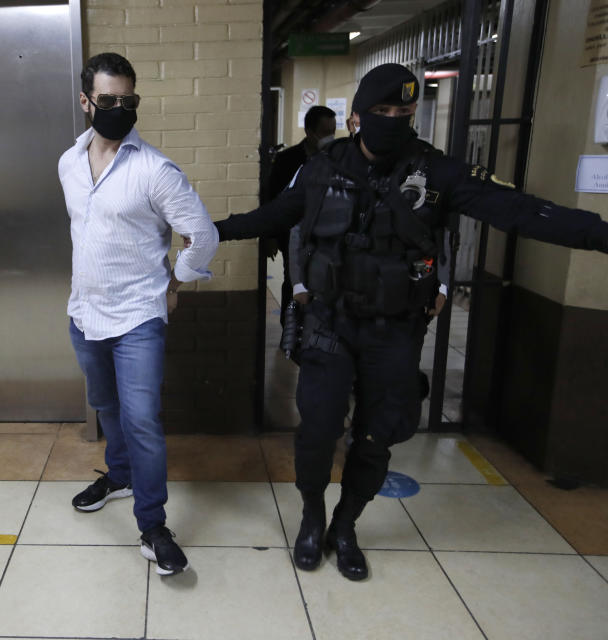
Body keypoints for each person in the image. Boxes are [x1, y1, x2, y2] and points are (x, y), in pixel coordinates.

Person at [214, 63, 608, 581]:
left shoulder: (437, 172)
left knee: (377, 436)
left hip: (395, 330)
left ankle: (346, 525)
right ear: (356, 118)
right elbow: (274, 216)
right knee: (318, 431)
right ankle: (312, 515)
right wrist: (210, 230)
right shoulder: (322, 168)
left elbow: (519, 210)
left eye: (404, 111)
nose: (395, 120)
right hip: (330, 323)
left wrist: (599, 232)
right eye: (383, 112)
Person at [58, 53, 219, 576]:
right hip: (84, 313)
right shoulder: (67, 163)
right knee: (105, 404)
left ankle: (152, 526)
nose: (120, 109)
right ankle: (119, 475)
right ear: (86, 102)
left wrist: (176, 281)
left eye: (129, 101)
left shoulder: (155, 171)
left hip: (137, 319)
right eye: (108, 101)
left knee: (143, 420)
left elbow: (204, 235)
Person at [268, 106, 339, 325]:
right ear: (309, 131)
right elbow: (272, 199)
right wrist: (270, 237)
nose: (330, 137)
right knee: (292, 280)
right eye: (325, 131)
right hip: (292, 235)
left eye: (333, 131)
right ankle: (290, 330)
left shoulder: (338, 158)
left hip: (326, 237)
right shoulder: (287, 160)